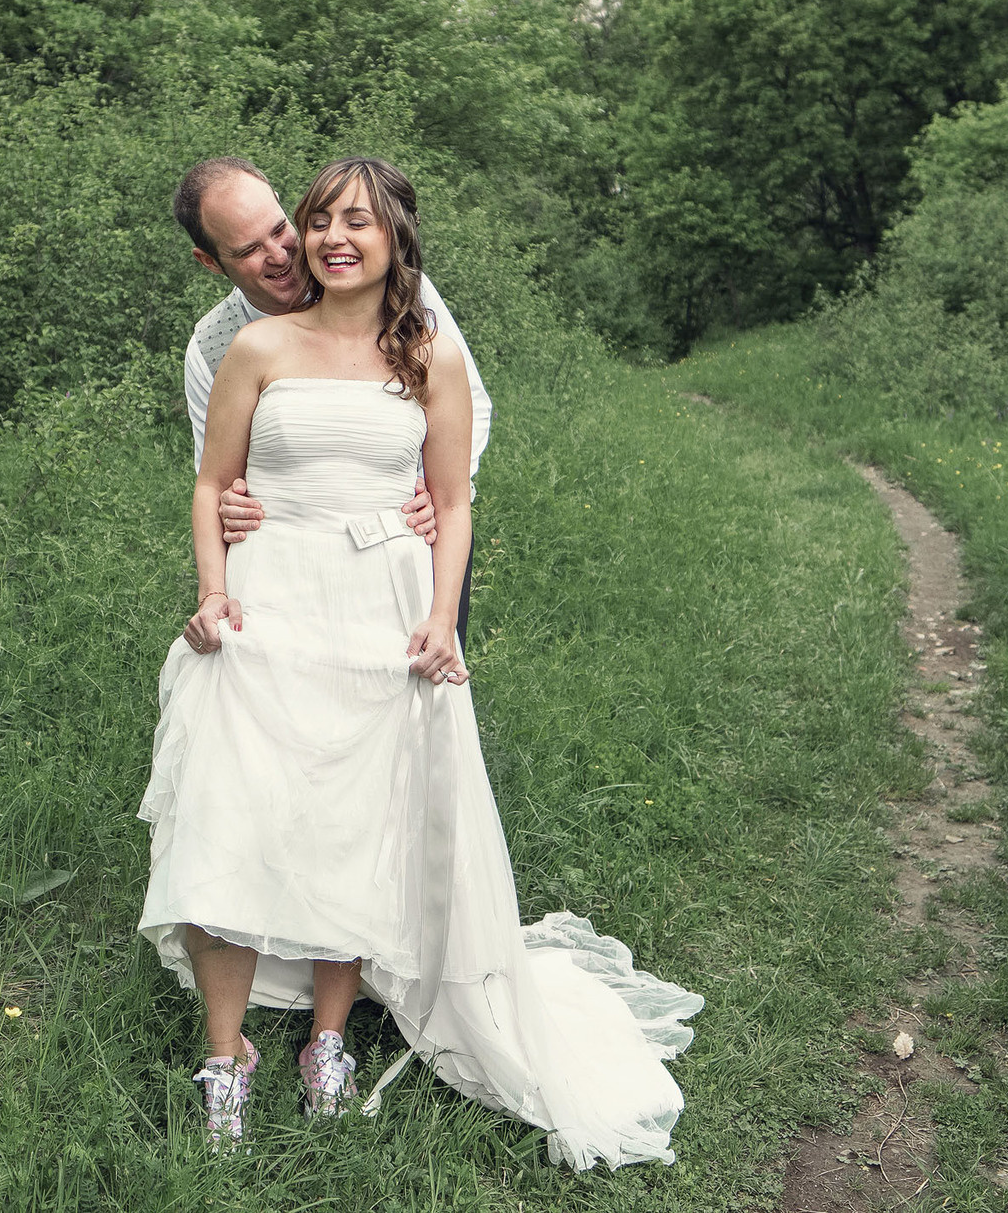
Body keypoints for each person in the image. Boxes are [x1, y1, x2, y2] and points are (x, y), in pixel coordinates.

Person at [136, 156, 702, 1165]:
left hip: (384, 591)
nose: (302, 245)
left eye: (316, 224)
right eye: (294, 230)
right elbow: (214, 477)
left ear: (394, 237)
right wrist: (216, 579)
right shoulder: (235, 345)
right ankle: (227, 1058)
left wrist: (437, 593)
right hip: (273, 596)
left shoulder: (421, 338)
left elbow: (454, 480)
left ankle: (330, 1036)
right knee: (234, 804)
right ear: (213, 262)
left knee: (364, 811)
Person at [173, 156, 492, 648]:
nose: (279, 255)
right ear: (211, 261)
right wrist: (229, 505)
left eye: (280, 230)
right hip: (283, 565)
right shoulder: (215, 347)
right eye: (250, 250)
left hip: (412, 536)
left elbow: (467, 402)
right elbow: (215, 477)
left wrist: (429, 492)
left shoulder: (393, 288)